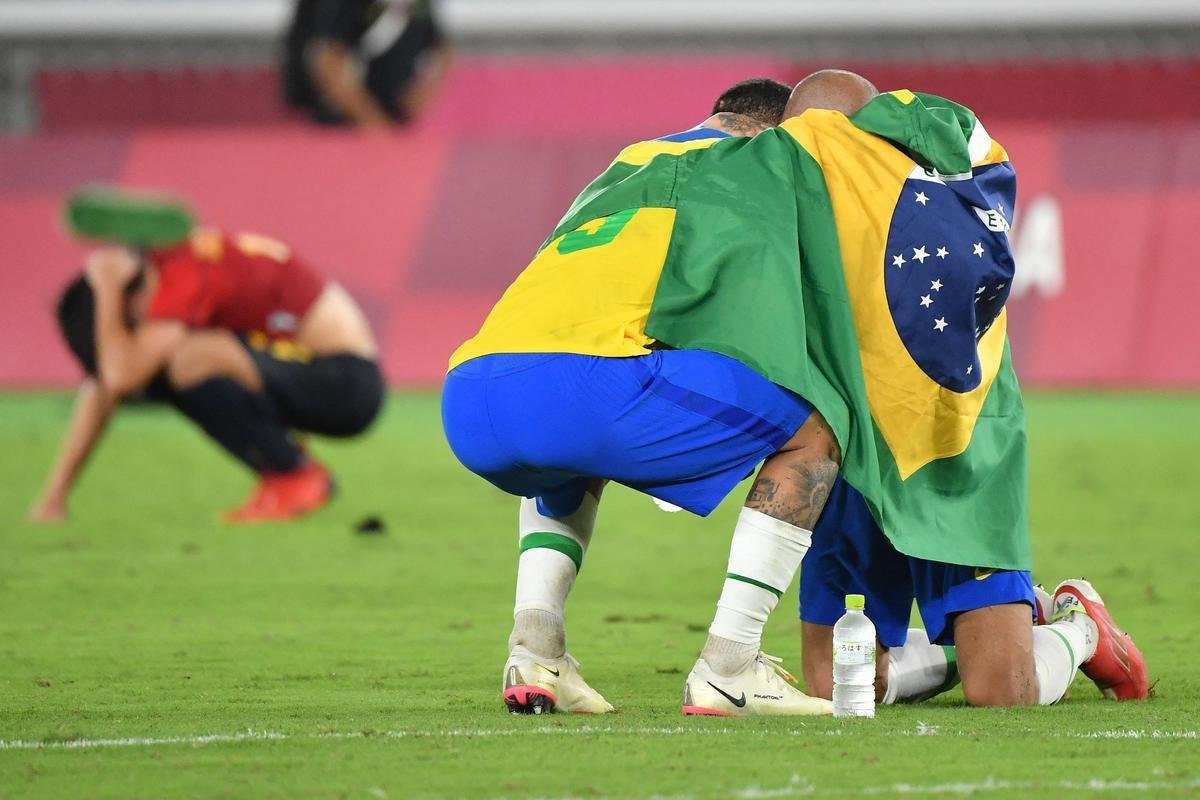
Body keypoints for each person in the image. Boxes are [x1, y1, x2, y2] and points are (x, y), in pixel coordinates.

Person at [661, 69, 1148, 708]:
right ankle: (965, 643)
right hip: (849, 452)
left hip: (953, 446)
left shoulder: (936, 192)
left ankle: (1078, 627)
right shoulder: (787, 197)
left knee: (1006, 694)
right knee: (845, 684)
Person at [442, 78, 839, 716]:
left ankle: (535, 649)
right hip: (582, 391)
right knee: (813, 432)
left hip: (469, 391)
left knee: (566, 454)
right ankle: (731, 667)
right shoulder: (755, 160)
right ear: (774, 131)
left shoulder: (631, 159)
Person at [30, 225, 383, 524]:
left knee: (184, 359)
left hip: (347, 384)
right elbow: (106, 384)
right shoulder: (168, 265)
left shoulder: (183, 271)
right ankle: (286, 472)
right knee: (166, 359)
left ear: (128, 301)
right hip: (312, 373)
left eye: (125, 325)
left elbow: (121, 377)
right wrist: (53, 498)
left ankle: (292, 474)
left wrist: (106, 289)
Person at [283, 0, 452, 128]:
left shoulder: (419, 4)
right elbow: (326, 62)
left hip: (396, 123)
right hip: (346, 129)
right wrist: (375, 124)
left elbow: (442, 47)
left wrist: (424, 90)